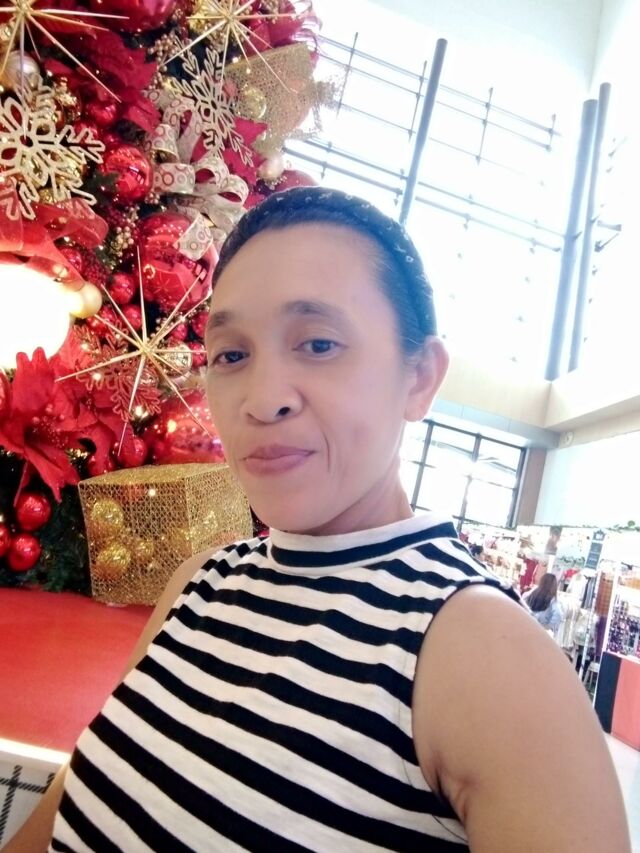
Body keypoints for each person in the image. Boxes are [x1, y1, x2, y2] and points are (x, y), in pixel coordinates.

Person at [6, 188, 630, 852]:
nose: (262, 399)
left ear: (420, 377)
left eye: (320, 343)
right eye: (232, 355)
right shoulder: (201, 584)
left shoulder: (483, 653)